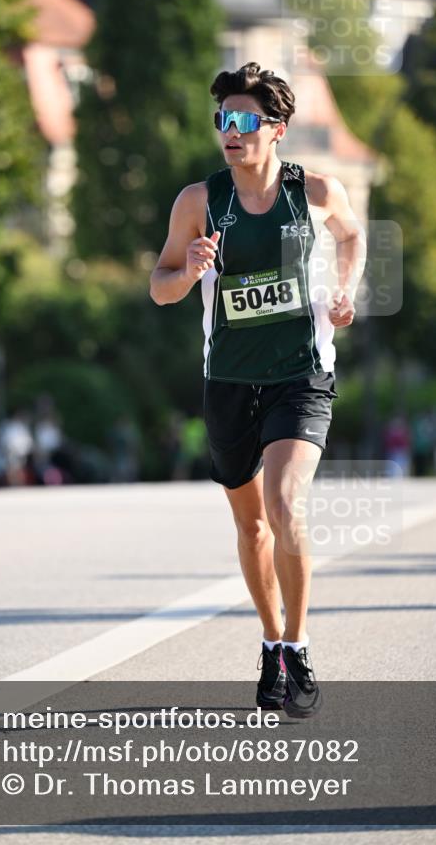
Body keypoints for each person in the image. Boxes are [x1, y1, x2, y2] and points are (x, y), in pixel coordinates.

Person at [150, 62, 366, 718]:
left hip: (299, 376)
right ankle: (271, 639)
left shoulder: (317, 191)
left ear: (275, 130)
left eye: (243, 120)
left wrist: (344, 289)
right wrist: (185, 270)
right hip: (228, 382)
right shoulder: (198, 201)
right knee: (251, 528)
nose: (230, 131)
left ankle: (296, 647)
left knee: (284, 503)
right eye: (222, 119)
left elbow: (352, 235)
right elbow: (159, 287)